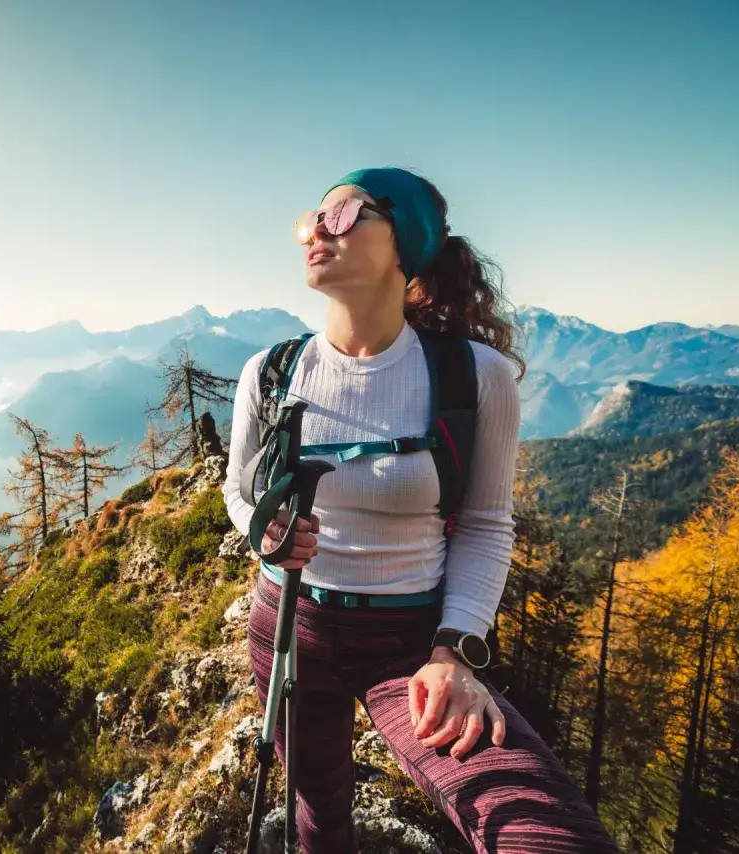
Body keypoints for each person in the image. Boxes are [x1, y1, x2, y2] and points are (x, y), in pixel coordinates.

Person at [222, 167, 618, 853]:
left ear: (405, 241)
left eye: (345, 213)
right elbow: (238, 491)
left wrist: (454, 651)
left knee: (541, 828)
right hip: (289, 622)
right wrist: (266, 536)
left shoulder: (474, 377)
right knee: (317, 807)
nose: (318, 228)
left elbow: (490, 523)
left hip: (412, 646)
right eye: (312, 217)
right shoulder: (271, 372)